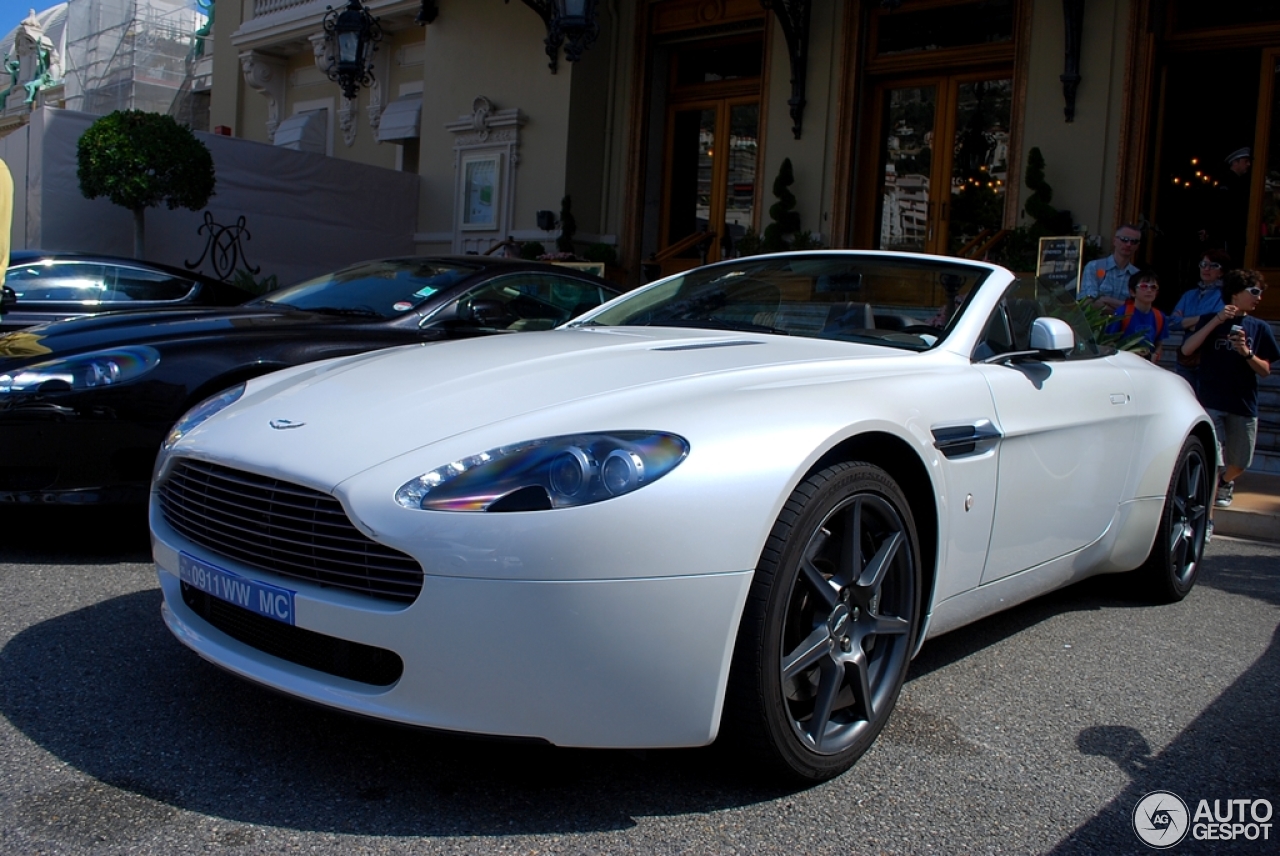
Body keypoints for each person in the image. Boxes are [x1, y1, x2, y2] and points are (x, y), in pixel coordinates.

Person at [1180, 269, 1279, 508]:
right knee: (1213, 456)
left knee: (1240, 462)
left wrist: (1247, 353)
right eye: (1254, 291)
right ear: (1235, 293)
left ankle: (1223, 482)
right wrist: (1217, 320)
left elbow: (1265, 371)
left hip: (1243, 403)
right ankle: (1207, 506)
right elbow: (1186, 350)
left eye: (1261, 293)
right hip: (1211, 399)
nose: (1259, 298)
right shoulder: (1211, 320)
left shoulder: (1259, 327)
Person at [1168, 249, 1229, 392]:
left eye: (1213, 266)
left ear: (1221, 271)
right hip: (1186, 357)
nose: (1206, 269)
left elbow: (1218, 322)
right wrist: (1202, 320)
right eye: (1203, 264)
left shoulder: (1225, 296)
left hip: (1210, 357)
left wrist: (1187, 322)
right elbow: (1172, 323)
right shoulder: (1189, 295)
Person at [1199, 147, 1252, 257]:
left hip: (1231, 234)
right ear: (1235, 162)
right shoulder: (1227, 181)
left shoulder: (1239, 182)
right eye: (1245, 161)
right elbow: (1219, 207)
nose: (1248, 164)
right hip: (1227, 234)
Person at [1106, 270, 1168, 362]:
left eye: (1153, 287)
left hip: (1147, 364)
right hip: (1123, 363)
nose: (1149, 290)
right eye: (1144, 286)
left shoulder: (1160, 316)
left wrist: (1155, 355)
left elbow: (1159, 343)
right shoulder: (1122, 313)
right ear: (1132, 292)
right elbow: (1108, 342)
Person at [1080, 224, 1142, 310]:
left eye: (1134, 241)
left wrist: (1106, 300)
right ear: (1114, 241)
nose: (1128, 244)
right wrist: (1124, 309)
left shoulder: (1138, 276)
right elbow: (1088, 302)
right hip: (1098, 323)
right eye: (1124, 239)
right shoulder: (1094, 267)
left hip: (1125, 323)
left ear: (1137, 246)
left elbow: (1139, 308)